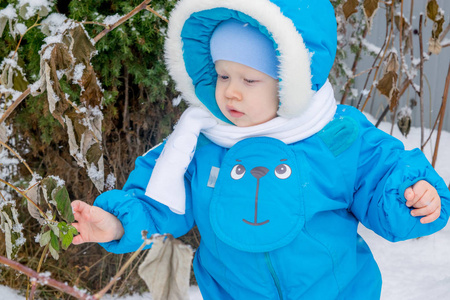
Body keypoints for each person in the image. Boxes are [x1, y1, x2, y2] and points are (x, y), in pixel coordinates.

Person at [71, 0, 450, 299]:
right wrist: (117, 222)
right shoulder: (197, 143)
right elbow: (153, 200)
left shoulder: (335, 134)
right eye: (222, 75)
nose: (230, 91)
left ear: (291, 79)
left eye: (250, 79)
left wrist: (412, 197)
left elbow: (382, 174)